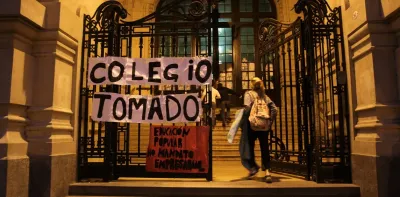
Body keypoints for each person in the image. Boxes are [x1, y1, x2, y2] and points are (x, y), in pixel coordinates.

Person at [239, 77, 278, 183]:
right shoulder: (264, 96)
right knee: (264, 148)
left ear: (251, 85)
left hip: (252, 125)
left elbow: (246, 110)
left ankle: (253, 168)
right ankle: (267, 172)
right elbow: (274, 108)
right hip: (263, 126)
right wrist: (270, 121)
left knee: (249, 147)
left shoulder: (249, 94)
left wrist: (241, 121)